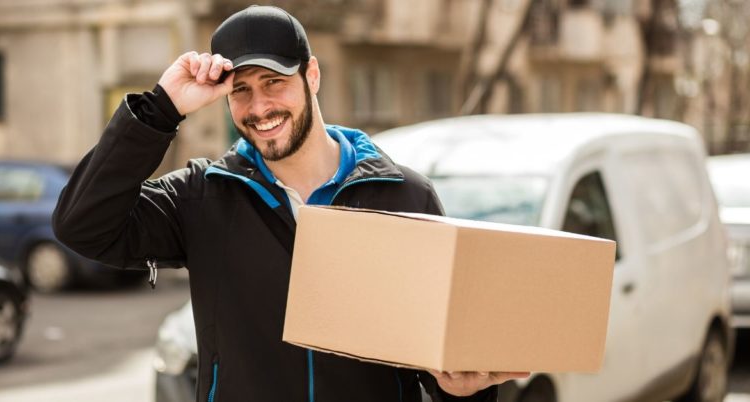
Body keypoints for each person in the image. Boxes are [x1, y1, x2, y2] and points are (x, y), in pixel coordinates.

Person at [52, 5, 528, 402]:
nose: (259, 108)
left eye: (274, 82)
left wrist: (464, 392)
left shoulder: (405, 195)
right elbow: (81, 224)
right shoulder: (202, 196)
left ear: (312, 75)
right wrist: (161, 108)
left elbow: (438, 360)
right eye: (241, 89)